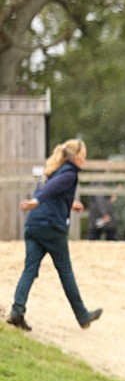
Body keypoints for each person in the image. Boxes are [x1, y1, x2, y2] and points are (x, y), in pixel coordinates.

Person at [5, 139, 103, 332]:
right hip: (51, 229)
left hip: (33, 226)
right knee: (66, 272)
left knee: (30, 270)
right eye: (84, 155)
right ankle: (83, 316)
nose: (85, 158)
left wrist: (68, 203)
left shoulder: (52, 171)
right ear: (76, 157)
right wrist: (36, 201)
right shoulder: (69, 173)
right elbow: (50, 190)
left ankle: (17, 312)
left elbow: (52, 191)